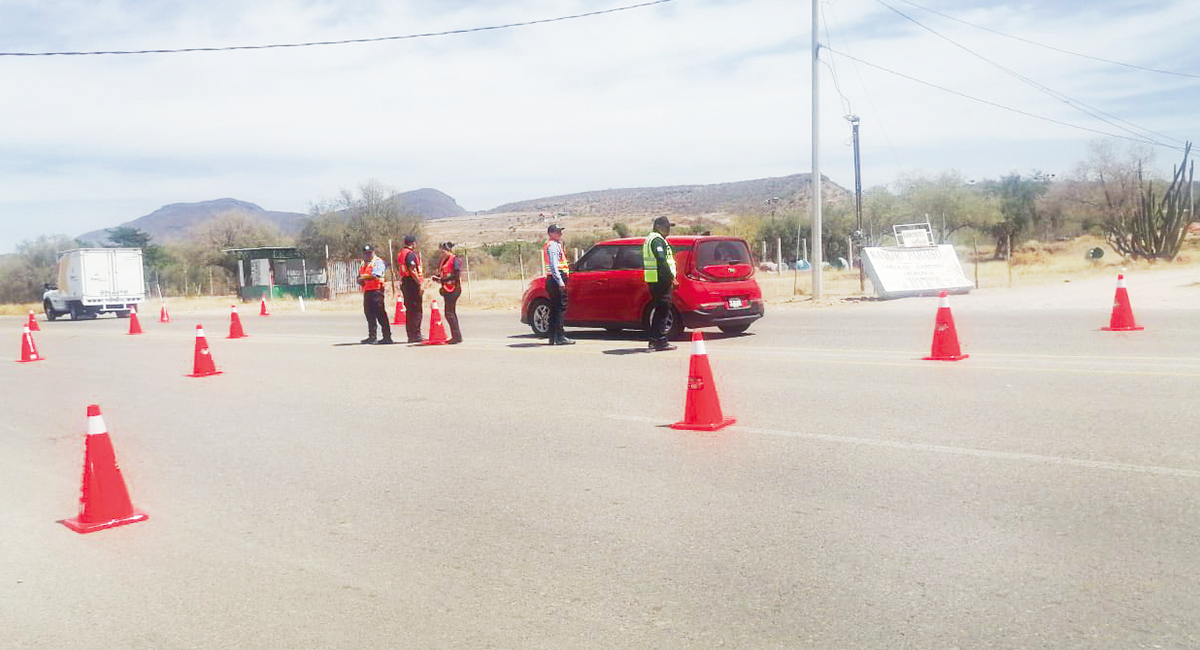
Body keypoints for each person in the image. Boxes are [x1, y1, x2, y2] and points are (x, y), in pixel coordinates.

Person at [643, 216, 678, 351]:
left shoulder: (653, 239)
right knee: (663, 311)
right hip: (661, 280)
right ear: (658, 226)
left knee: (660, 311)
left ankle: (654, 341)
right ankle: (660, 341)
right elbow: (662, 261)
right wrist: (672, 278)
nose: (669, 229)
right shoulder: (657, 240)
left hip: (655, 279)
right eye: (666, 226)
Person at [542, 224, 573, 345]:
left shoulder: (553, 245)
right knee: (560, 308)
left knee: (555, 308)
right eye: (557, 232)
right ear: (551, 233)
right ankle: (559, 336)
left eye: (560, 231)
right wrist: (560, 282)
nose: (560, 234)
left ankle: (552, 336)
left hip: (553, 279)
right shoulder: (553, 246)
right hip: (556, 279)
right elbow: (554, 266)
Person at [357, 245, 393, 344]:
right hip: (367, 291)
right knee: (369, 315)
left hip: (377, 291)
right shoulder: (363, 264)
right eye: (366, 253)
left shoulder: (378, 262)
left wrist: (362, 278)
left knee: (380, 314)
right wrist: (360, 280)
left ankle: (387, 337)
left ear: (373, 252)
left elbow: (375, 275)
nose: (367, 255)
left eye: (369, 253)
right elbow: (359, 276)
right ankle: (372, 336)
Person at [432, 241, 463, 344]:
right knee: (450, 313)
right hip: (447, 288)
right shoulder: (444, 260)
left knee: (449, 313)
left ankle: (456, 337)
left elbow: (456, 274)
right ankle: (457, 336)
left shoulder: (455, 259)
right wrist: (438, 279)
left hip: (453, 288)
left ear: (449, 250)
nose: (443, 252)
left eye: (444, 250)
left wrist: (443, 280)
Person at [397, 234, 425, 343]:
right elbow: (412, 270)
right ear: (413, 243)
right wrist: (420, 283)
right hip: (411, 283)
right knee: (416, 309)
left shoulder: (401, 254)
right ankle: (416, 334)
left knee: (410, 310)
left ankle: (411, 334)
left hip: (405, 282)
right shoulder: (410, 254)